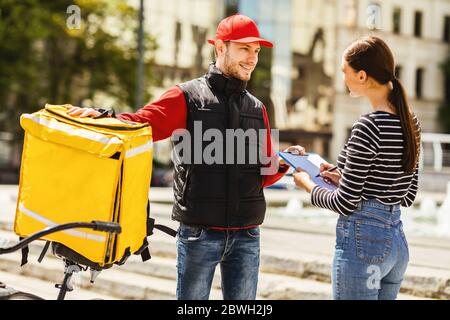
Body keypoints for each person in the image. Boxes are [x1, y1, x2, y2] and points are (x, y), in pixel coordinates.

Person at [66, 14, 304, 300]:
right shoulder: (186, 96)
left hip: (248, 235)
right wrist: (103, 118)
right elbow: (140, 125)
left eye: (256, 51)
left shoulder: (258, 108)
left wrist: (281, 163)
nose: (252, 58)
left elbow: (263, 174)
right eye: (244, 48)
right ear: (220, 48)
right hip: (199, 234)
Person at [292, 36, 420, 300]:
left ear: (361, 76)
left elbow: (346, 203)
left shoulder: (368, 126)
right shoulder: (411, 123)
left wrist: (308, 185)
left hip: (363, 246)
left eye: (344, 72)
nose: (343, 79)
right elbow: (407, 194)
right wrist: (346, 174)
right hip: (397, 244)